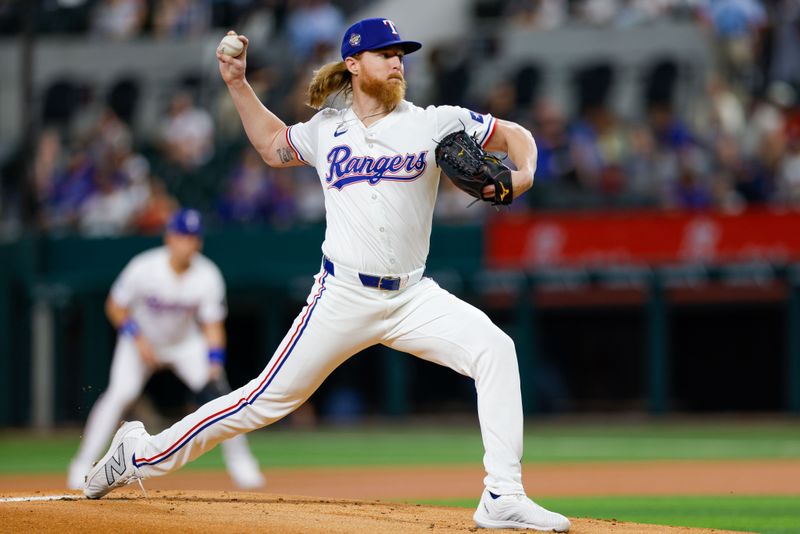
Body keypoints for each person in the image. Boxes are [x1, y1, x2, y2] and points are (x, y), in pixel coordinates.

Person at [83, 18, 570, 532]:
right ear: (355, 64)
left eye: (401, 54)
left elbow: (515, 135)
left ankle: (502, 495)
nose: (397, 61)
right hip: (340, 296)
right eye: (385, 54)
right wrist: (237, 84)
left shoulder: (435, 122)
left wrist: (524, 173)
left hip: (412, 296)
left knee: (495, 349)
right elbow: (272, 146)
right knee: (258, 403)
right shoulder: (326, 130)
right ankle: (137, 455)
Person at [68, 208, 264, 490]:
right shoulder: (144, 267)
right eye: (184, 236)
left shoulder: (207, 275)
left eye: (194, 237)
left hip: (185, 345)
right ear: (169, 238)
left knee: (221, 396)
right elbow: (115, 306)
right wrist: (138, 340)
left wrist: (214, 364)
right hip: (139, 342)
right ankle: (82, 464)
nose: (189, 243)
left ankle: (243, 465)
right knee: (119, 395)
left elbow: (212, 326)